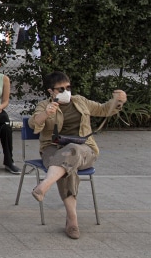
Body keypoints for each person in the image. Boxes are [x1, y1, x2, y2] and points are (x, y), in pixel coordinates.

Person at [28, 71, 126, 239]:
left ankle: (44, 186)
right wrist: (46, 114)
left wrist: (118, 101)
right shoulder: (45, 105)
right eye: (60, 89)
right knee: (67, 167)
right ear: (51, 91)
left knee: (72, 150)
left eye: (68, 87)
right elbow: (33, 123)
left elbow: (103, 110)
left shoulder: (80, 101)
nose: (66, 91)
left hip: (84, 149)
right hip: (53, 148)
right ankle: (72, 220)